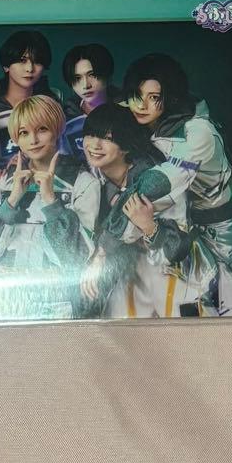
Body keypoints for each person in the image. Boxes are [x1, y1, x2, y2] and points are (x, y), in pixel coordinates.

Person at [124, 53, 232, 316]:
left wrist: (113, 227)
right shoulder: (145, 123)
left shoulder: (198, 130)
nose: (142, 105)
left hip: (215, 230)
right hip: (174, 227)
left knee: (229, 308)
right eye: (137, 96)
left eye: (153, 97)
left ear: (170, 97)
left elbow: (163, 182)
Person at [0, 95, 98, 319]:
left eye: (42, 129)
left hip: (57, 304)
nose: (33, 140)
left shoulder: (84, 183)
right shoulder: (1, 182)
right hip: (2, 304)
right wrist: (12, 199)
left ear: (57, 129)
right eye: (24, 133)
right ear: (15, 138)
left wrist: (51, 201)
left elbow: (75, 260)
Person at [75, 104, 191, 318]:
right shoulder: (92, 180)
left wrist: (149, 227)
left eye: (107, 139)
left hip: (172, 270)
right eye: (90, 135)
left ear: (125, 146)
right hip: (127, 271)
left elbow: (178, 248)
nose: (95, 145)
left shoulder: (152, 178)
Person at [0, 30, 61, 166]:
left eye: (37, 61)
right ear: (6, 66)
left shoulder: (53, 104)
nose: (30, 68)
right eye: (22, 61)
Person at [61, 43, 116, 155]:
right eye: (77, 78)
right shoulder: (65, 119)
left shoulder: (129, 111)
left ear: (106, 74)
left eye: (92, 75)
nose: (86, 85)